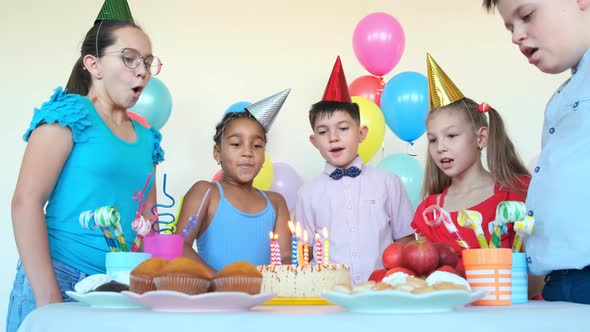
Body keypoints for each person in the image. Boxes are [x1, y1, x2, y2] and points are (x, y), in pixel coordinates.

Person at [7, 1, 164, 330]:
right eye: (129, 57)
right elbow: (26, 202)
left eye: (148, 62)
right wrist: (48, 296)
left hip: (122, 290)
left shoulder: (148, 137)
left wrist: (153, 287)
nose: (143, 70)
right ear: (93, 64)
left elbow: (149, 222)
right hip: (61, 277)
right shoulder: (70, 114)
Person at [482, 0, 590, 304]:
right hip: (559, 281)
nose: (516, 35)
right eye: (510, 27)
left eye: (527, 15)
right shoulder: (564, 95)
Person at [295, 57, 415, 285]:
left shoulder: (388, 183)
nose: (333, 137)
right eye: (323, 132)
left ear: (361, 134)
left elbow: (406, 241)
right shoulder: (307, 194)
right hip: (329, 296)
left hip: (382, 293)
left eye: (343, 128)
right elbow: (305, 255)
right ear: (314, 141)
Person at [176, 90, 292, 275]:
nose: (247, 152)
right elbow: (179, 247)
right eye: (236, 144)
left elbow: (286, 258)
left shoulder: (276, 203)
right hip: (215, 300)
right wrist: (221, 281)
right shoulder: (206, 193)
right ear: (217, 152)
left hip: (262, 300)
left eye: (257, 146)